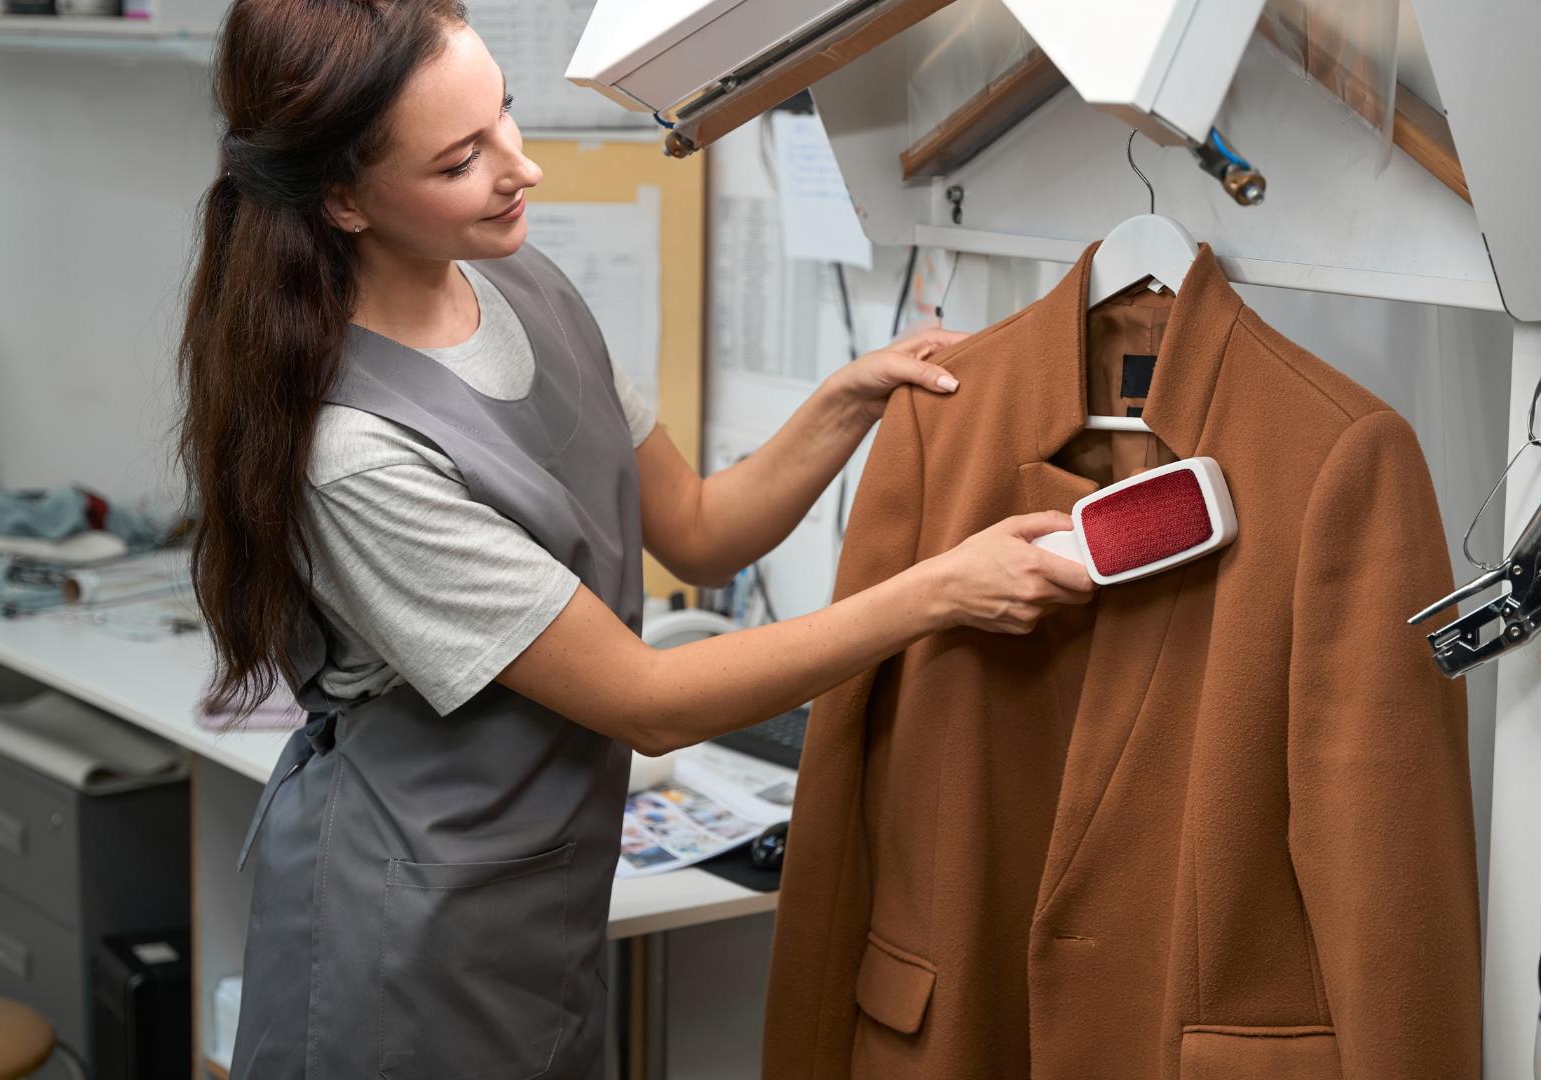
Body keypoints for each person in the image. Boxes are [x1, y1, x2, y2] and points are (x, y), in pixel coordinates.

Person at [175, 0, 1094, 1075]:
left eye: (506, 119)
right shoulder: (356, 450)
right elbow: (650, 704)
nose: (524, 171)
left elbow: (701, 532)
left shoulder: (526, 286)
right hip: (404, 924)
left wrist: (849, 400)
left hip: (541, 895)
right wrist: (942, 591)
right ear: (341, 198)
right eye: (463, 160)